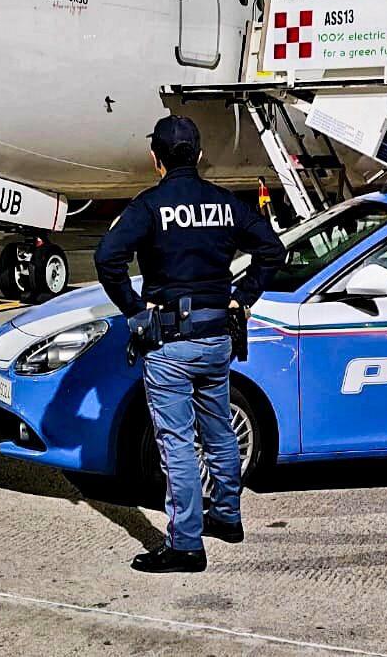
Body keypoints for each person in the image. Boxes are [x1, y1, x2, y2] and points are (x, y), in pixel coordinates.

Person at [94, 114, 285, 573]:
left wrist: (134, 309)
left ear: (155, 158)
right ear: (198, 155)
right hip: (217, 338)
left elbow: (107, 258)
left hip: (170, 344)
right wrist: (244, 296)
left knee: (176, 442)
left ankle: (185, 545)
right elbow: (272, 250)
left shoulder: (149, 206)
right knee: (218, 428)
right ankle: (227, 515)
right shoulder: (224, 203)